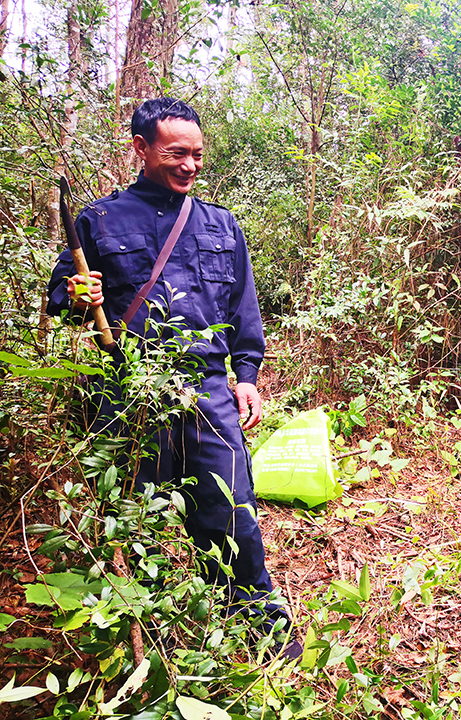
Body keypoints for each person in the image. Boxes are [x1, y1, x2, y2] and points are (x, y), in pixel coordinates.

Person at [47, 97, 300, 659]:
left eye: (197, 155)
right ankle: (148, 637)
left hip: (208, 389)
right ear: (140, 149)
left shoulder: (221, 224)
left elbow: (241, 306)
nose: (189, 165)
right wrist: (73, 296)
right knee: (136, 520)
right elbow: (61, 303)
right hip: (129, 389)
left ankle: (257, 625)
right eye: (175, 153)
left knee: (230, 506)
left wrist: (248, 375)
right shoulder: (99, 220)